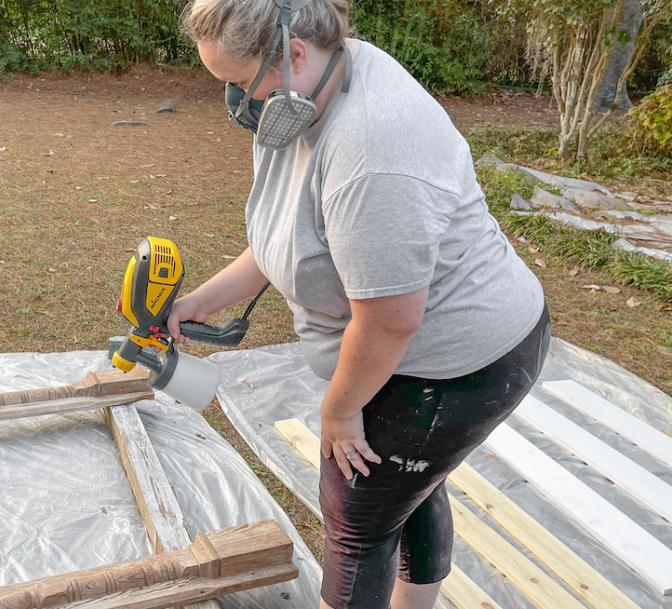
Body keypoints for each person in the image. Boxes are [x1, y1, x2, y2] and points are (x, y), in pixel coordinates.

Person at [171, 1, 552, 608]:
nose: (237, 102)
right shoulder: (302, 97)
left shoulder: (374, 151)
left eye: (240, 83)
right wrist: (200, 300)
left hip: (457, 363)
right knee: (407, 486)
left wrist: (341, 413)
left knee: (356, 520)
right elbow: (289, 236)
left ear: (293, 54)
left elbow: (390, 319)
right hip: (412, 346)